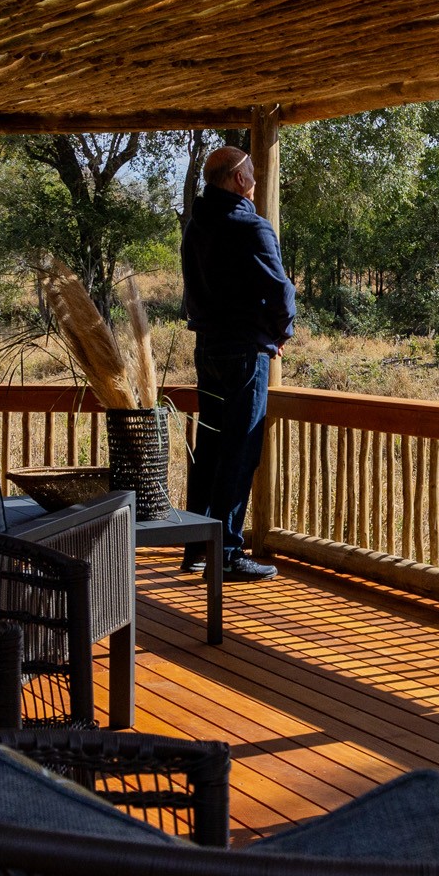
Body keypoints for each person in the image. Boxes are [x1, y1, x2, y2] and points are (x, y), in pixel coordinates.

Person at [180, 144, 294, 582]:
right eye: (250, 173)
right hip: (245, 352)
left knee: (209, 447)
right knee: (240, 450)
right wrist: (280, 334)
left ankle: (195, 547)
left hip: (207, 350)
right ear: (240, 180)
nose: (254, 181)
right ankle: (227, 552)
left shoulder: (196, 225)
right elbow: (281, 292)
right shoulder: (251, 226)